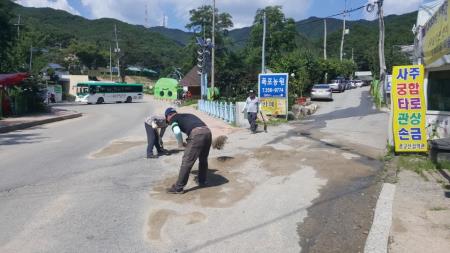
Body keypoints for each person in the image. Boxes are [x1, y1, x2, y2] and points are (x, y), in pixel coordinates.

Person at [165, 107, 212, 194]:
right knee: (203, 159)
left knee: (187, 161)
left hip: (197, 134)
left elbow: (177, 131)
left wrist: (180, 143)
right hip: (208, 132)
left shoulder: (173, 119)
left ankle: (178, 188)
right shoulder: (188, 115)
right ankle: (202, 181)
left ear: (168, 116)